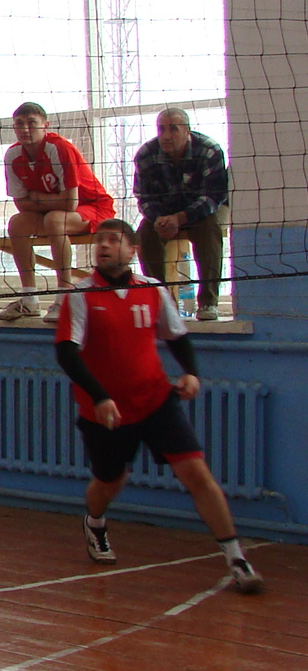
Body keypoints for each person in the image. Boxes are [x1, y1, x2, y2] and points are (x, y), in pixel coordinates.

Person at [55, 220, 262, 592]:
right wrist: (100, 396)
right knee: (110, 480)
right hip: (107, 412)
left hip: (155, 400)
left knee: (196, 473)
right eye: (99, 240)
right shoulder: (82, 294)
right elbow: (67, 353)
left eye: (113, 240)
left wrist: (191, 373)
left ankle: (237, 559)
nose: (103, 246)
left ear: (132, 250)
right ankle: (95, 523)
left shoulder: (151, 288)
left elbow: (177, 336)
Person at [0, 103, 116, 321]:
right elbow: (21, 205)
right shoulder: (13, 155)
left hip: (95, 207)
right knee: (17, 223)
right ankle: (30, 299)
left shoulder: (59, 148)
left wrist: (38, 199)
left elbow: (70, 203)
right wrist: (52, 201)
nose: (25, 129)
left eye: (31, 123)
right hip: (56, 213)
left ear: (45, 125)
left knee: (54, 220)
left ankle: (64, 298)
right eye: (19, 124)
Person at [133, 107, 230, 321]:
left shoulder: (209, 150)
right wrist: (159, 219)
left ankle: (208, 302)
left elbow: (214, 196)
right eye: (161, 129)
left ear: (187, 131)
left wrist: (180, 218)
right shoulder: (146, 154)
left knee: (209, 228)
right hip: (165, 212)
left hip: (204, 209)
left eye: (173, 129)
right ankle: (162, 301)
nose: (166, 135)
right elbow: (143, 197)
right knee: (145, 233)